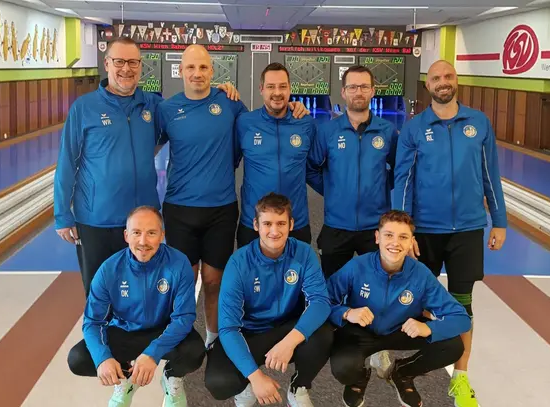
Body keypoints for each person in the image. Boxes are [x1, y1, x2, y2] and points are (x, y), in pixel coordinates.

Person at [54, 37, 238, 296]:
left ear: (140, 66)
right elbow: (66, 160)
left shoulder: (153, 105)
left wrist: (219, 90)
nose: (126, 69)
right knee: (100, 292)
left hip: (143, 220)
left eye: (133, 62)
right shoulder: (84, 108)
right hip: (97, 219)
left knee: (145, 293)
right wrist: (62, 214)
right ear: (107, 64)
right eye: (119, 61)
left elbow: (191, 111)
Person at [157, 45, 309, 348]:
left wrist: (296, 108)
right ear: (180, 70)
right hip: (179, 209)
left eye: (203, 67)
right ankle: (178, 345)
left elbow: (247, 142)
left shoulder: (230, 103)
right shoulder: (167, 109)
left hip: (221, 210)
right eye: (191, 67)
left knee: (215, 282)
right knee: (183, 283)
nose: (197, 73)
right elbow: (146, 148)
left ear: (212, 71)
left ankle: (214, 341)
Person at [391, 59, 507, 407]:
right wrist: (404, 231)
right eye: (436, 78)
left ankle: (461, 377)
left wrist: (499, 220)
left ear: (456, 81)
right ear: (428, 85)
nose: (443, 82)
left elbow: (490, 174)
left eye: (448, 76)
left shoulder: (478, 123)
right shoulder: (414, 129)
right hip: (425, 231)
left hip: (468, 230)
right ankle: (410, 367)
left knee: (462, 304)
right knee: (417, 304)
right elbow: (403, 181)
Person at [327, 210, 471, 407]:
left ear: (411, 241)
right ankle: (358, 379)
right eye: (389, 235)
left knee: (453, 346)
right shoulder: (357, 266)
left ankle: (402, 373)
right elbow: (323, 301)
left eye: (403, 237)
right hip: (360, 332)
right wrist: (347, 313)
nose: (395, 243)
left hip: (400, 330)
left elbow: (461, 318)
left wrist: (429, 328)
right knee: (344, 368)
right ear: (377, 237)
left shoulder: (421, 274)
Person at [67, 206, 205, 407]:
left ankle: (172, 377)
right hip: (125, 331)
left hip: (164, 330)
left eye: (151, 233)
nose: (143, 241)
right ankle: (125, 379)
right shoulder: (109, 269)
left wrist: (152, 353)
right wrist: (103, 358)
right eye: (137, 233)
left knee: (195, 351)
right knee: (79, 358)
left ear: (162, 235)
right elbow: (92, 322)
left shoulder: (178, 263)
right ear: (126, 235)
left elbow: (184, 318)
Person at [204, 193, 333, 407]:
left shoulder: (303, 253)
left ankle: (299, 386)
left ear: (291, 224)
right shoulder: (238, 263)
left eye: (281, 223)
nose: (274, 231)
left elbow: (320, 302)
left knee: (324, 333)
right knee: (218, 382)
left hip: (286, 328)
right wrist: (255, 377)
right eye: (267, 224)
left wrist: (289, 342)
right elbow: (228, 328)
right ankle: (246, 386)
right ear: (256, 225)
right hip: (249, 333)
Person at [307, 65, 401, 279]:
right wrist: (332, 190)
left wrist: (381, 187)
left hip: (376, 225)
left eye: (364, 87)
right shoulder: (328, 131)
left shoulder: (387, 131)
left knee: (377, 287)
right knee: (333, 288)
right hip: (336, 225)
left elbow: (399, 169)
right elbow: (310, 168)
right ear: (343, 92)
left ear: (372, 91)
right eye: (352, 87)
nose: (358, 92)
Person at [234, 62, 317, 248]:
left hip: (295, 221)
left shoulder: (306, 123)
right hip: (255, 222)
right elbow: (230, 162)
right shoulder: (245, 123)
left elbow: (314, 168)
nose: (277, 92)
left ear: (290, 89)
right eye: (271, 86)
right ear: (261, 89)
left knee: (297, 267)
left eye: (282, 86)